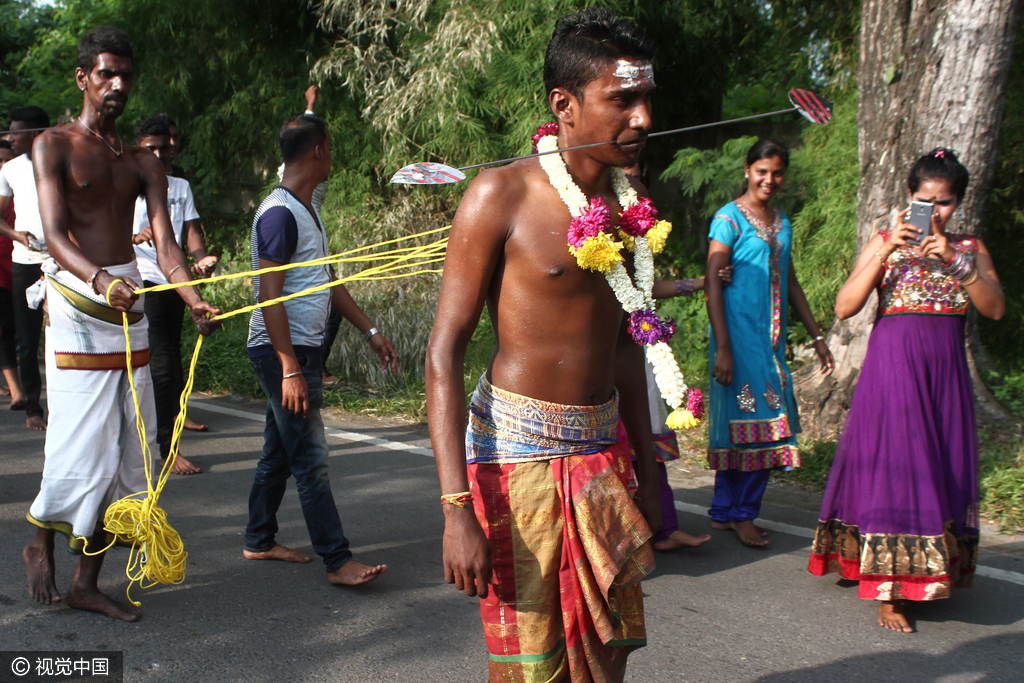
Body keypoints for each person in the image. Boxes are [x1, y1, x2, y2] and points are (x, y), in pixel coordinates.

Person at [426, 10, 664, 682]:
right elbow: (444, 352)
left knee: (608, 650)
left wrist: (647, 469)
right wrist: (455, 510)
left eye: (648, 99)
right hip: (517, 458)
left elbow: (626, 344)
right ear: (564, 105)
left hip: (602, 450)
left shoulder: (630, 201)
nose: (642, 118)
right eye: (623, 100)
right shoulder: (499, 194)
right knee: (530, 665)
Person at [24, 26, 221, 622]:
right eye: (106, 73)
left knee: (129, 449)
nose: (117, 85)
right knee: (79, 444)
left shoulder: (142, 162)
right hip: (83, 301)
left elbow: (166, 246)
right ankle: (41, 539)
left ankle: (87, 581)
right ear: (83, 77)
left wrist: (191, 297)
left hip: (127, 303)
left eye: (126, 75)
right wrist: (101, 280)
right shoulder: (53, 146)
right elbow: (56, 237)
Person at [809, 149, 1004, 633]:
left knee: (940, 468)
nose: (933, 212)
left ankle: (929, 572)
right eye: (924, 200)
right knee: (900, 470)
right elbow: (845, 306)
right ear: (908, 199)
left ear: (957, 204)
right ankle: (890, 590)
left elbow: (996, 308)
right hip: (894, 370)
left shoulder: (970, 249)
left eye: (944, 203)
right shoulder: (885, 242)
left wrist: (957, 262)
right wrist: (885, 249)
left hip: (944, 377)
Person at [243, 113, 395, 586]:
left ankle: (258, 539)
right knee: (311, 457)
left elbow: (328, 281)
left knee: (280, 453)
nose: (333, 156)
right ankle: (337, 560)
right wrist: (289, 365)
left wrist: (370, 330)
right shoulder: (279, 213)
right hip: (281, 353)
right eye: (330, 147)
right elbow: (269, 295)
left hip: (298, 352)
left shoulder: (306, 207)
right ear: (319, 151)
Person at [704, 139, 834, 547]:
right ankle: (740, 514)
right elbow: (712, 280)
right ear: (747, 170)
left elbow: (790, 280)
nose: (769, 180)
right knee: (750, 423)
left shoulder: (782, 223)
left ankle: (727, 511)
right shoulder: (729, 220)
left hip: (770, 342)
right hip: (736, 339)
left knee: (760, 426)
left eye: (777, 172)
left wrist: (817, 337)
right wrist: (723, 348)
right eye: (762, 171)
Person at [131, 114, 217, 474]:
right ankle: (165, 448)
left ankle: (167, 433)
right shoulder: (126, 184)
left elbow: (189, 232)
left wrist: (202, 258)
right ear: (139, 149)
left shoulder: (179, 186)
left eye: (162, 146)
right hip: (142, 281)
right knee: (162, 366)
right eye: (149, 148)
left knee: (171, 361)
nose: (158, 153)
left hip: (175, 280)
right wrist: (134, 238)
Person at [0, 106, 52, 431]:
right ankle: (34, 407)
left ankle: (70, 401)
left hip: (63, 264)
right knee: (27, 338)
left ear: (34, 134)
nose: (9, 137)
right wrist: (16, 234)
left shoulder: (63, 159)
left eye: (15, 132)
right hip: (24, 262)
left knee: (65, 333)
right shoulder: (9, 170)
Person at [0, 139, 26, 407]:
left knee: (23, 329)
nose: (2, 166)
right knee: (4, 329)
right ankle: (17, 389)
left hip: (21, 265)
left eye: (6, 160)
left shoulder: (27, 188)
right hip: (0, 271)